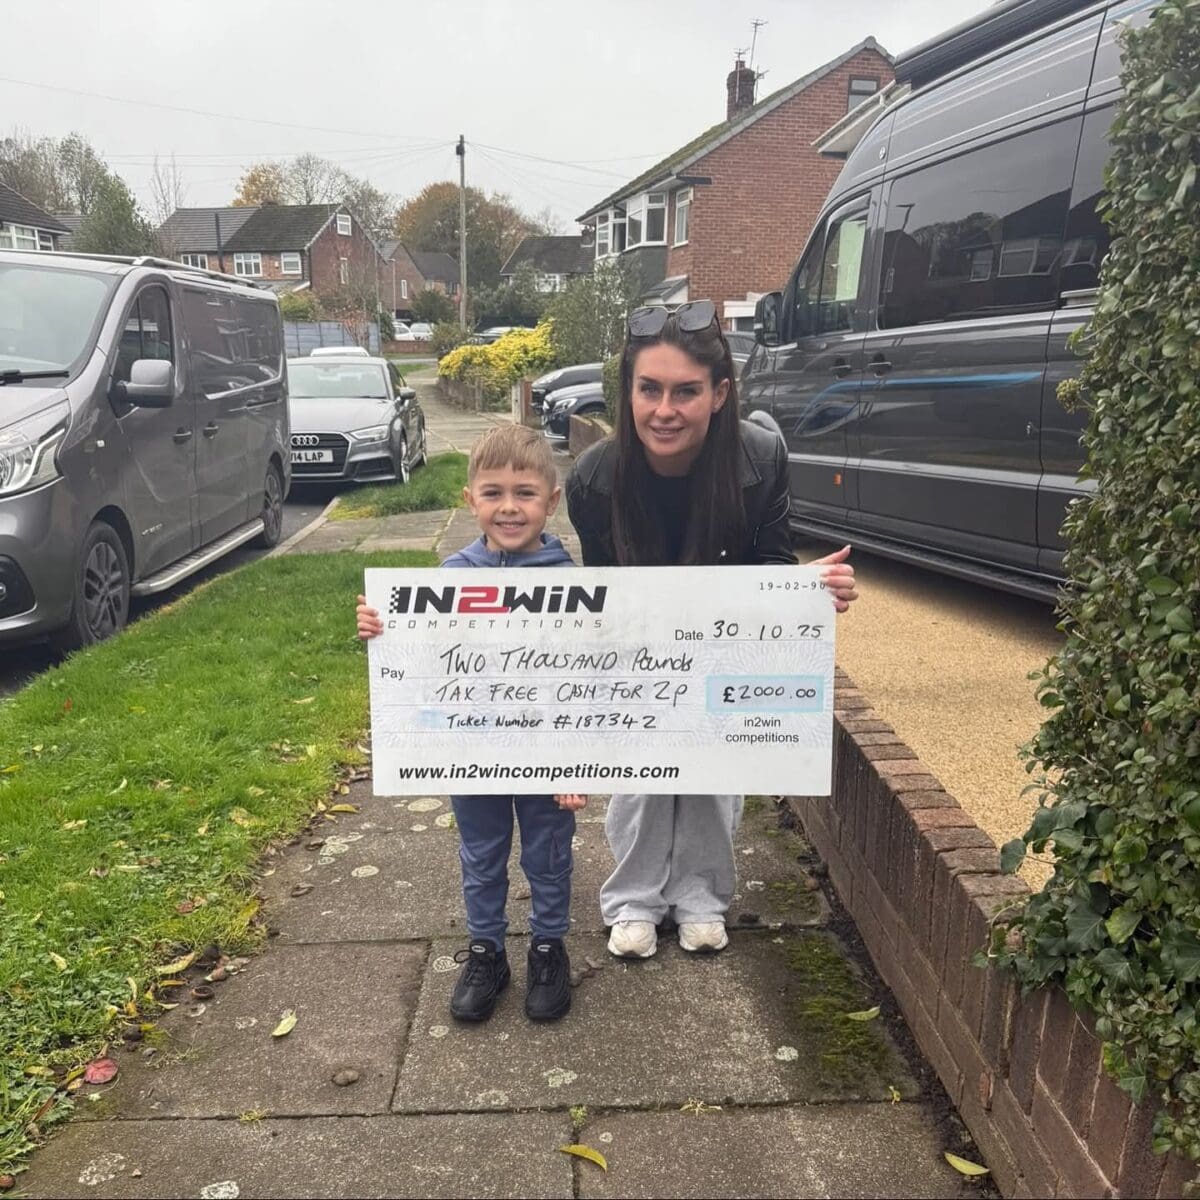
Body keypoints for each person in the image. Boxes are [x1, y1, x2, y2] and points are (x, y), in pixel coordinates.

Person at [565, 300, 858, 959]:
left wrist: (811, 591)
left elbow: (772, 562)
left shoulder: (761, 459)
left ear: (720, 394)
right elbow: (601, 595)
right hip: (640, 649)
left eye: (686, 392)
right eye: (649, 389)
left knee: (711, 776)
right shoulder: (592, 480)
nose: (664, 410)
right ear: (628, 391)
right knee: (641, 779)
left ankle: (702, 897)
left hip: (723, 645)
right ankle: (633, 900)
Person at [356, 424, 587, 1022]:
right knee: (481, 855)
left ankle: (547, 948)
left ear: (551, 501)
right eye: (493, 493)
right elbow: (422, 659)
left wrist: (578, 760)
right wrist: (381, 631)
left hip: (547, 756)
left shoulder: (574, 583)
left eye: (525, 493)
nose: (509, 507)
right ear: (470, 500)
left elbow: (588, 679)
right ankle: (487, 952)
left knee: (549, 855)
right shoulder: (450, 576)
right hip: (472, 752)